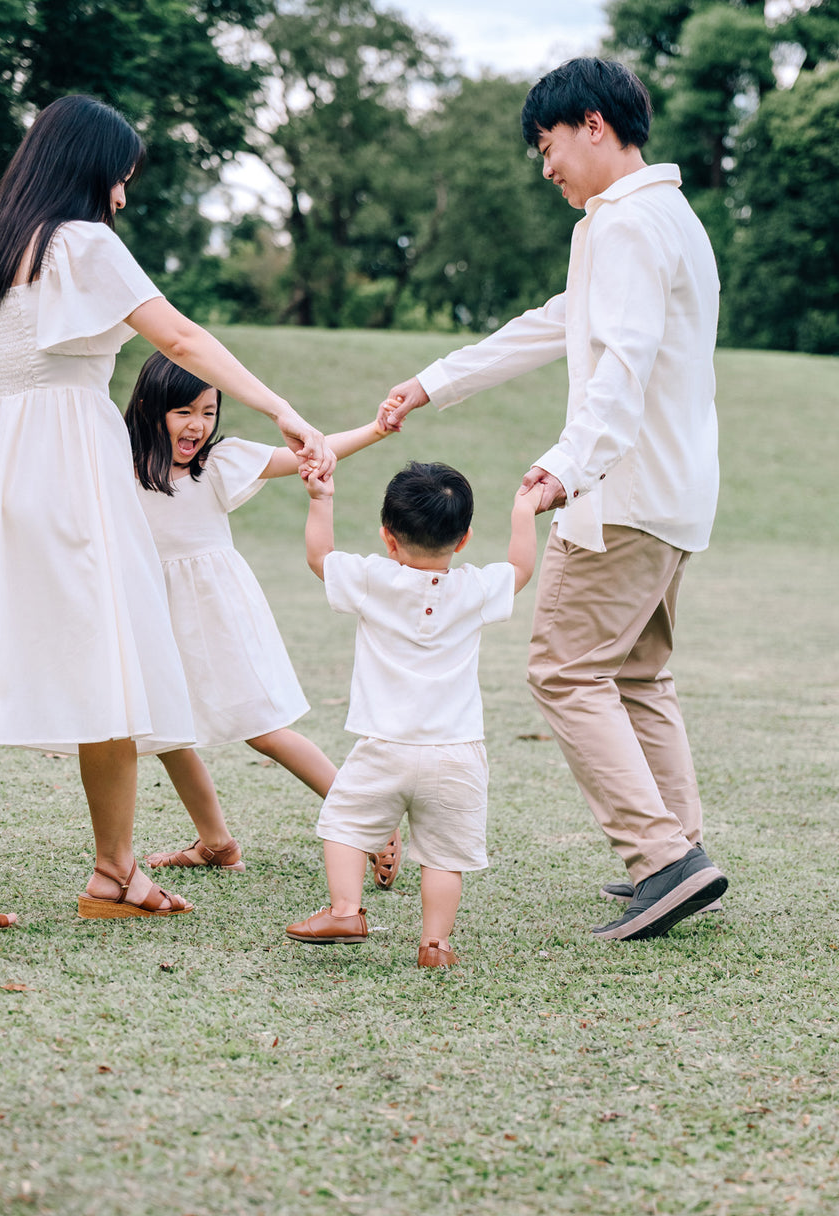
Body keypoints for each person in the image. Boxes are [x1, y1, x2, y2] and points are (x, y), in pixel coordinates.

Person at [0, 94, 333, 933]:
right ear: (89, 170)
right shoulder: (84, 244)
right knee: (115, 660)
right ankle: (94, 872)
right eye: (121, 178)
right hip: (67, 466)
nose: (123, 197)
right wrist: (282, 409)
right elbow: (184, 341)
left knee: (1, 663)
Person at [382, 57, 728, 942]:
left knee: (564, 670)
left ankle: (660, 859)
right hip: (675, 495)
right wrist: (433, 382)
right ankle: (680, 847)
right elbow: (556, 322)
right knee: (640, 676)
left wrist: (567, 466)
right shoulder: (666, 217)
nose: (547, 169)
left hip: (623, 493)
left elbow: (622, 368)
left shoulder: (623, 226)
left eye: (549, 145)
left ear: (593, 126)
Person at [123, 352, 403, 886]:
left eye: (208, 412)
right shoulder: (119, 465)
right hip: (153, 613)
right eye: (183, 411)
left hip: (216, 613)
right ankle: (216, 844)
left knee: (265, 731)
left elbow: (301, 455)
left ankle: (369, 821)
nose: (198, 425)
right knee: (162, 732)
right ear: (148, 407)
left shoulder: (217, 465)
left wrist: (374, 430)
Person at [285, 461, 543, 968]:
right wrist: (524, 509)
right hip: (458, 753)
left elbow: (320, 557)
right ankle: (435, 945)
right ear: (463, 539)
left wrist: (321, 497)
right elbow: (521, 569)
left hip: (384, 745)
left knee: (343, 825)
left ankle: (344, 909)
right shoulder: (473, 589)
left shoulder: (372, 579)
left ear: (388, 537)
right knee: (444, 858)